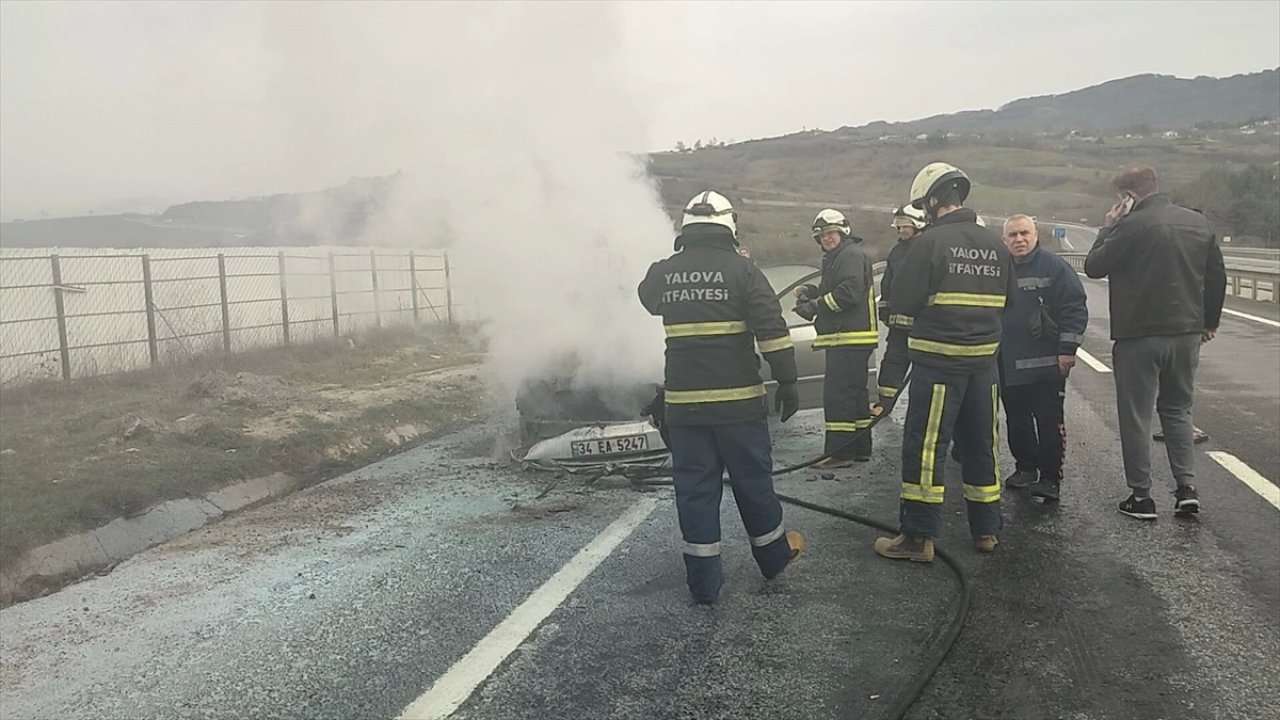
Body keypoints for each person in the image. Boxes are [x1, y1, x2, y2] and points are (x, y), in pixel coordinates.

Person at [638, 190, 805, 604]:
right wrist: (788, 381)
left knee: (694, 489)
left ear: (686, 228)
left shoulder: (663, 273)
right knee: (753, 483)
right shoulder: (744, 272)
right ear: (730, 227)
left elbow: (647, 299)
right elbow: (772, 331)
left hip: (685, 408)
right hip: (739, 408)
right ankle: (772, 559)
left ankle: (704, 584)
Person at [873, 162, 1014, 562]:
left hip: (938, 365)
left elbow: (901, 300)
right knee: (982, 444)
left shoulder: (929, 244)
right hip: (983, 366)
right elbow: (1011, 302)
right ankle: (987, 530)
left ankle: (918, 538)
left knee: (926, 447)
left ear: (934, 200)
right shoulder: (995, 244)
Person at [1083, 166, 1226, 520]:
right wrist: (1209, 322)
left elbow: (1094, 266)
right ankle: (1186, 489)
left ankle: (1141, 497)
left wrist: (1107, 227)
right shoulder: (1197, 222)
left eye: (1119, 198)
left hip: (1139, 335)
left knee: (1136, 416)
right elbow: (1217, 276)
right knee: (1178, 410)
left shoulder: (1128, 226)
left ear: (1128, 196)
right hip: (1186, 334)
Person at [997, 215, 1089, 502]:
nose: (1019, 239)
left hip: (1047, 366)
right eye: (1012, 235)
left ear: (1036, 235)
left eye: (1024, 233)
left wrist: (1067, 350)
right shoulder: (999, 269)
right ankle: (1025, 468)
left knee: (1049, 422)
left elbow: (1074, 307)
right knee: (1016, 419)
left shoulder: (1054, 267)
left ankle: (1050, 478)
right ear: (1004, 241)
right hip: (1008, 364)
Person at [792, 209, 879, 466]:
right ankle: (860, 447)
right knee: (855, 395)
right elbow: (837, 289)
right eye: (822, 235)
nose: (826, 238)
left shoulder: (849, 255)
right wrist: (811, 291)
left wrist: (815, 306)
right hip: (853, 338)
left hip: (847, 338)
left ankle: (840, 453)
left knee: (838, 395)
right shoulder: (841, 257)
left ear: (843, 232)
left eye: (830, 233)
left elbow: (848, 294)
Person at [875, 205, 928, 409]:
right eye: (898, 227)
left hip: (923, 325)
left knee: (924, 368)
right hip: (898, 325)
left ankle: (923, 408)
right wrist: (884, 307)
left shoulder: (928, 247)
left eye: (905, 226)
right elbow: (887, 282)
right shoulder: (897, 251)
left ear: (918, 225)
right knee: (892, 363)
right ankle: (884, 403)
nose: (901, 231)